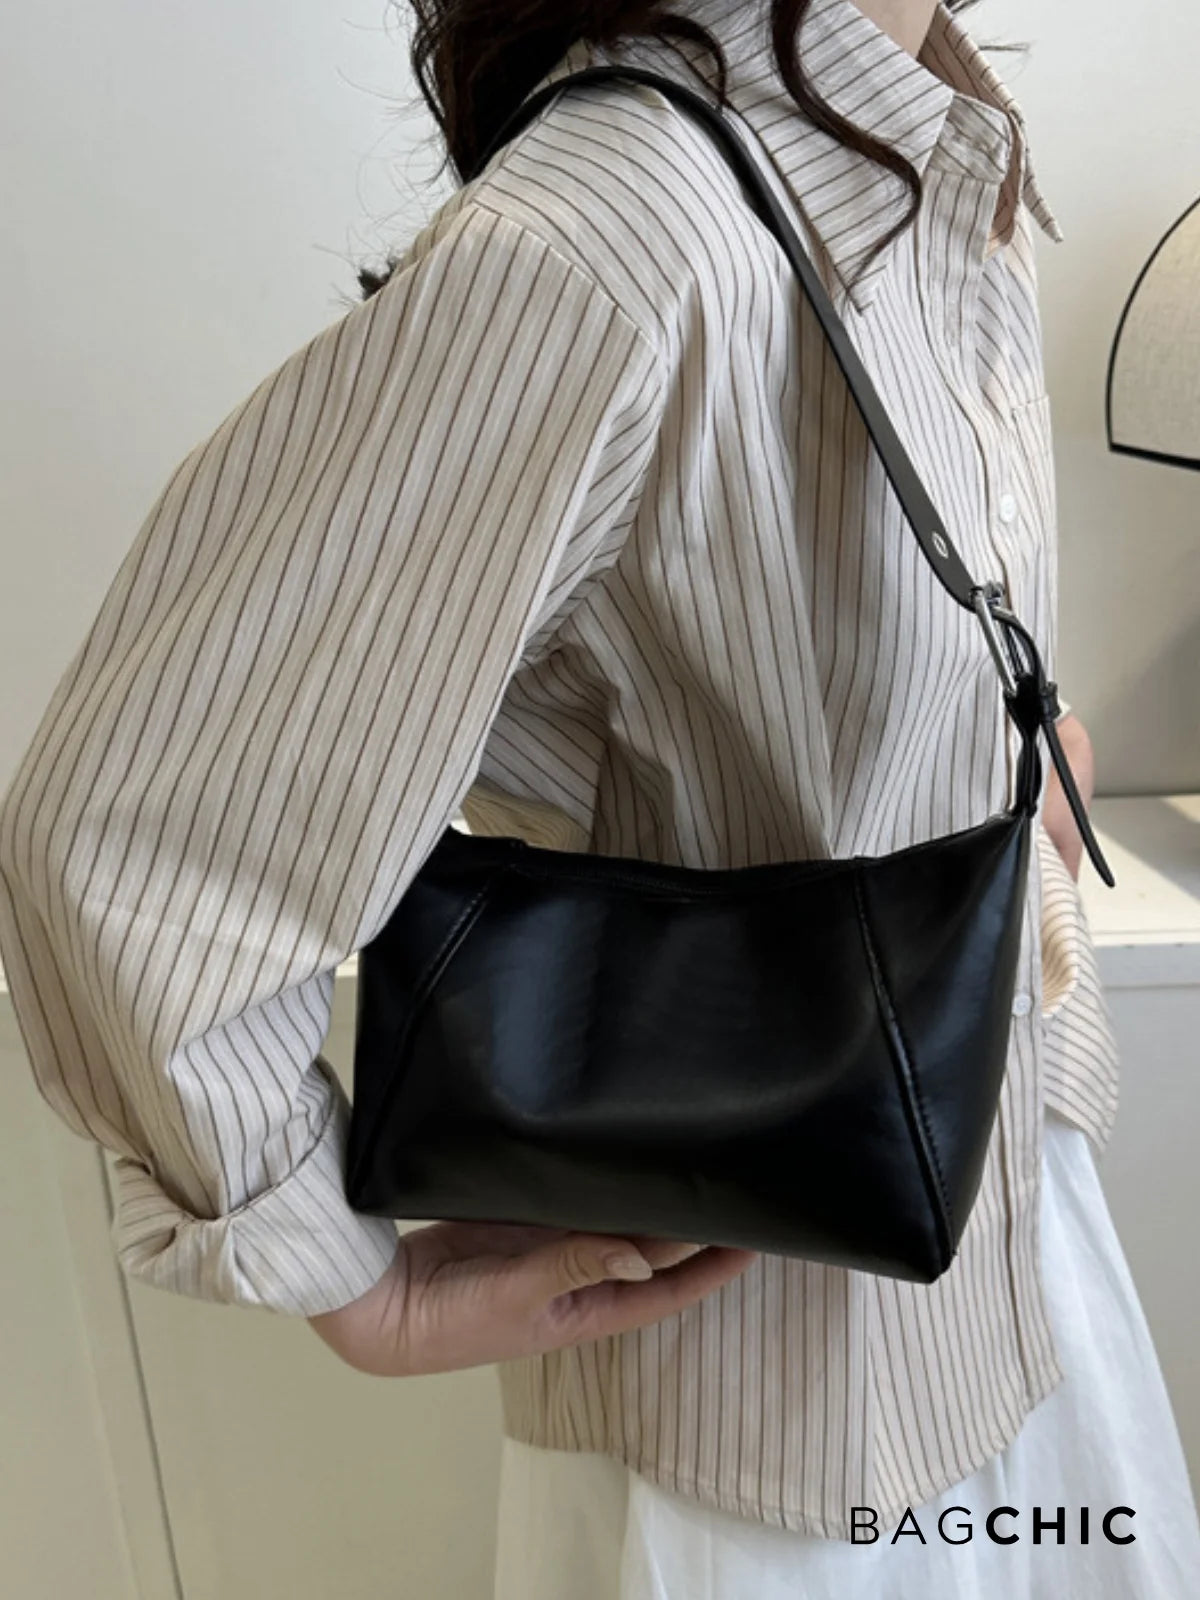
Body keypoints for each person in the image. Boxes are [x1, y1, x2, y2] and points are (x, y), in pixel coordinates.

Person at [0, 0, 1196, 1593]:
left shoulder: (929, 142)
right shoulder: (619, 229)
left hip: (1015, 1249)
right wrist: (344, 1277)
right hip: (774, 1402)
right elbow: (133, 812)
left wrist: (1015, 750)